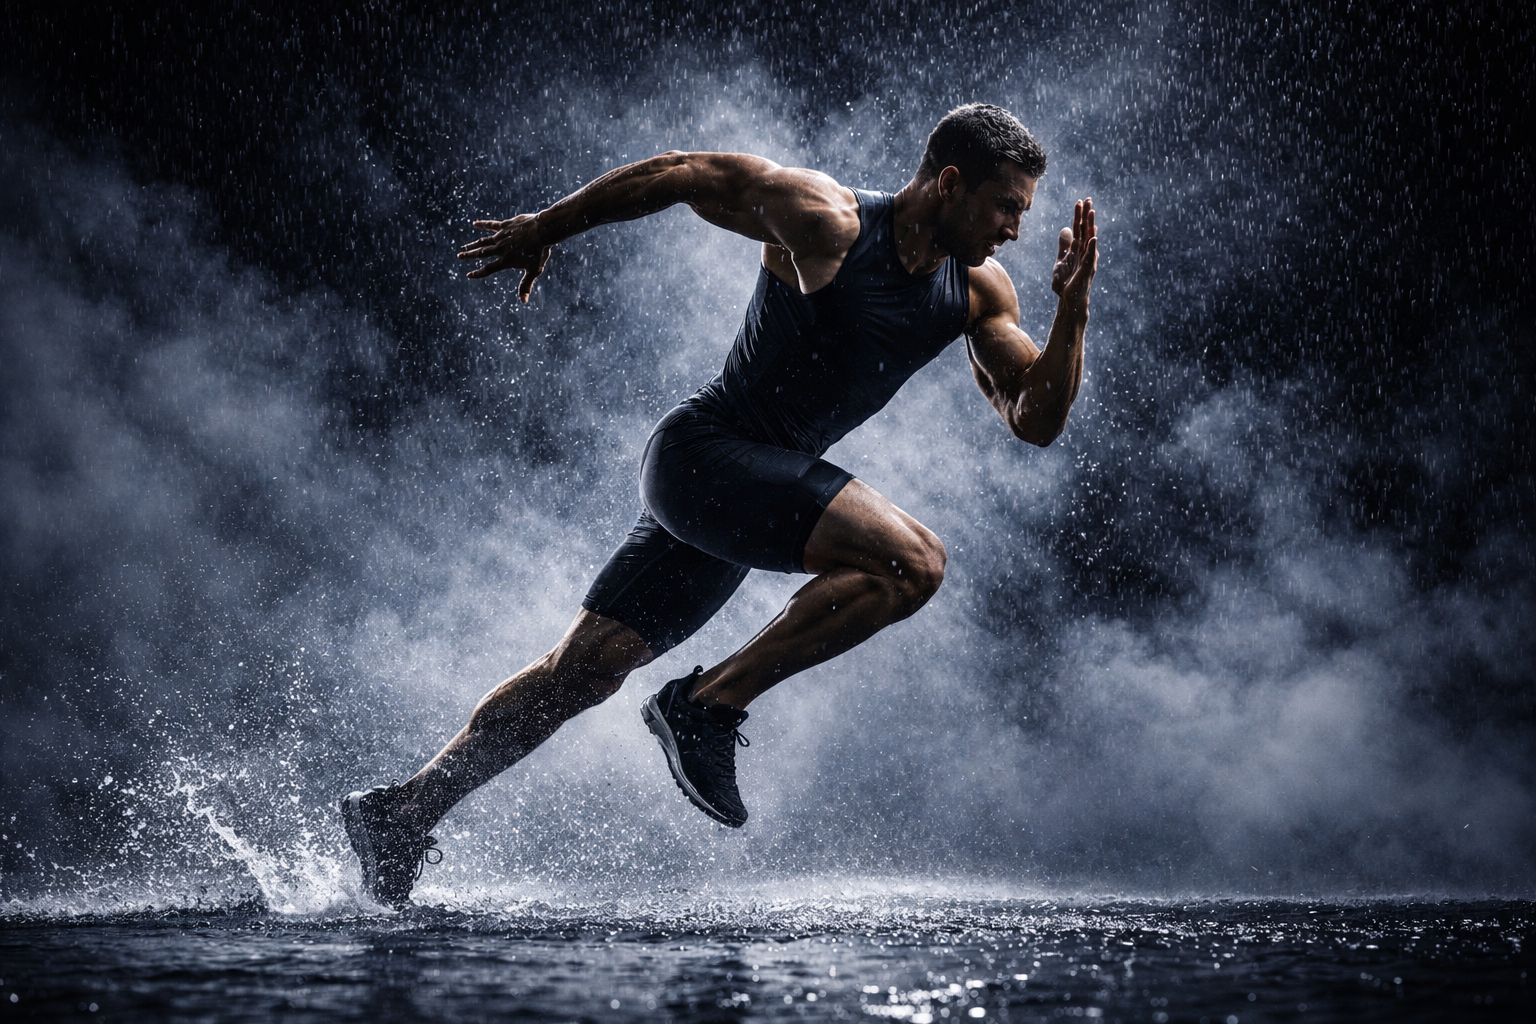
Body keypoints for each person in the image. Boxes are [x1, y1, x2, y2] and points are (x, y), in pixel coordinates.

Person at [341, 103, 1098, 907]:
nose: (1016, 228)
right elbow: (685, 172)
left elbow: (1033, 418)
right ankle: (704, 706)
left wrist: (1073, 313)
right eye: (1007, 206)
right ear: (951, 184)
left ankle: (401, 812)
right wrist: (547, 226)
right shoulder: (830, 221)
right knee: (912, 564)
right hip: (702, 457)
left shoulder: (979, 291)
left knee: (583, 675)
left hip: (740, 502)